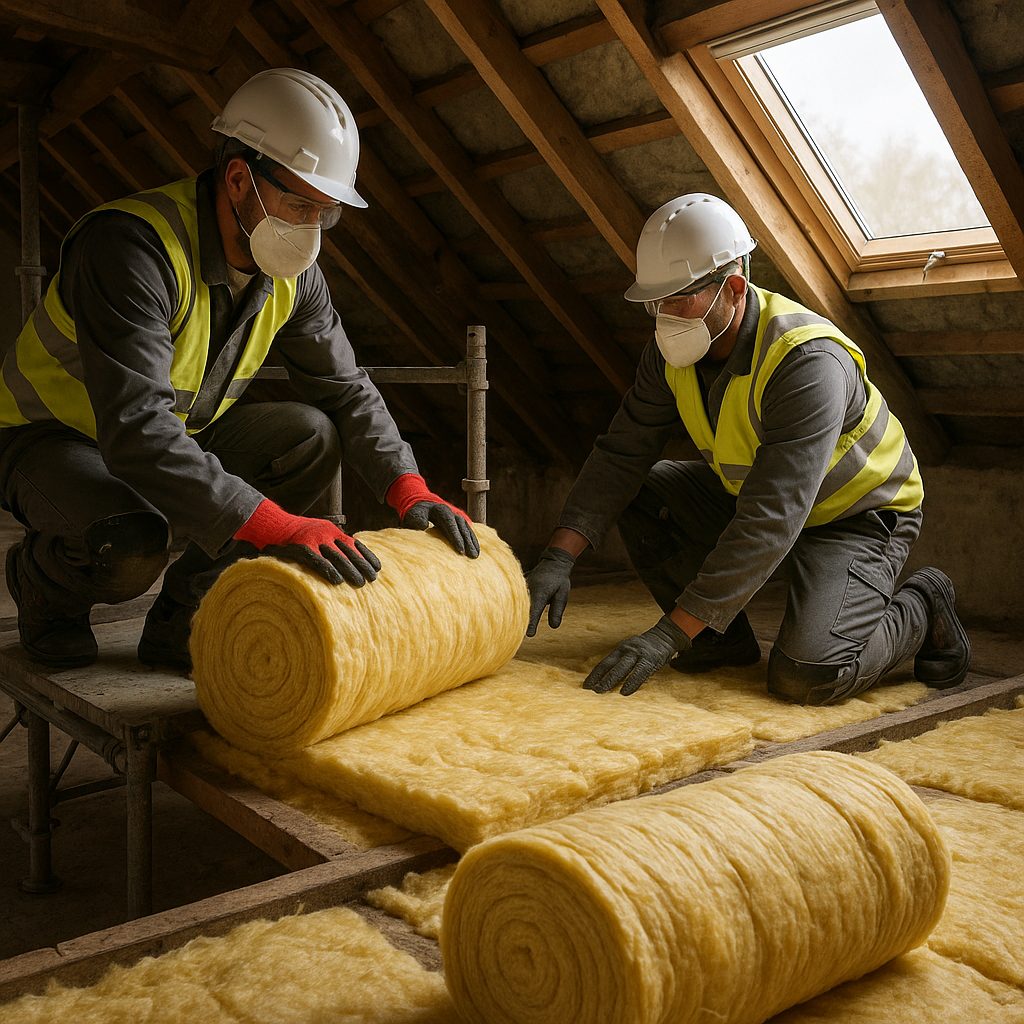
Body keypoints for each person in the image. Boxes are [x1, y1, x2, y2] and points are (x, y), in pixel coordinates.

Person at [0, 68, 478, 672]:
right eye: (298, 203)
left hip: (170, 437)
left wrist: (407, 486)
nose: (309, 229)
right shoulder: (130, 248)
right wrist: (271, 524)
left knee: (308, 436)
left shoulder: (295, 275)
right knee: (129, 544)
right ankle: (44, 589)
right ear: (237, 179)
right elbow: (137, 430)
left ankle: (182, 619)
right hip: (48, 437)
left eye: (324, 214)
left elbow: (345, 389)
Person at [526, 193, 969, 704]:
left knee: (808, 676)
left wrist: (667, 634)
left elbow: (771, 516)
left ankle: (923, 604)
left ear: (733, 288)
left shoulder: (806, 362)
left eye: (678, 298)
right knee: (646, 491)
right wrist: (558, 558)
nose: (662, 316)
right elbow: (621, 454)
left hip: (856, 515)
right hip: (758, 500)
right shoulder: (674, 351)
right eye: (653, 302)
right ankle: (713, 636)